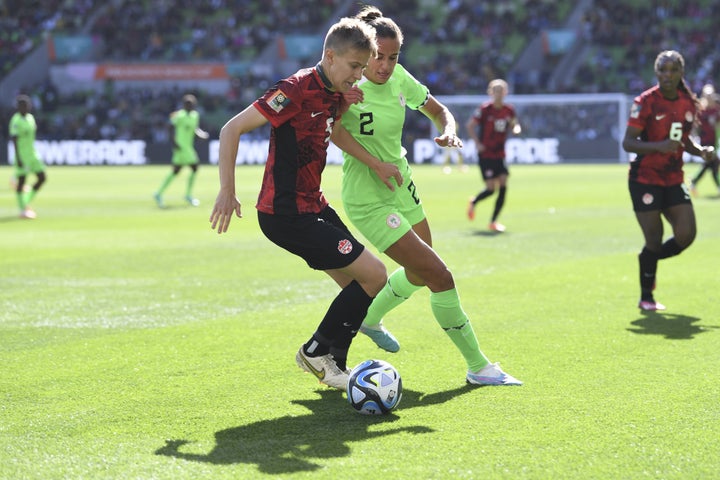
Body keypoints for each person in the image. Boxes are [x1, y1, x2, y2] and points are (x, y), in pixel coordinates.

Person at [334, 6, 521, 386]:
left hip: (401, 182)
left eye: (393, 57)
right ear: (365, 52)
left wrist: (448, 130)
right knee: (438, 273)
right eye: (378, 57)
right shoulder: (348, 86)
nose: (385, 66)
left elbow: (438, 110)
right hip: (367, 195)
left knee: (421, 273)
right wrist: (375, 164)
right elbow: (335, 134)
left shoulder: (400, 78)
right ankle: (479, 367)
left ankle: (370, 317)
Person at [209, 17, 389, 390]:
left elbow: (331, 128)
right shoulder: (294, 88)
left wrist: (346, 107)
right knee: (375, 274)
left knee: (359, 286)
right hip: (285, 213)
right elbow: (231, 129)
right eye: (355, 67)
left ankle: (334, 364)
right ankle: (315, 351)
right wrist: (228, 189)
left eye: (362, 68)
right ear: (330, 56)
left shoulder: (333, 91)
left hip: (313, 206)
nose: (359, 75)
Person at [622, 50, 715, 311]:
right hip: (644, 179)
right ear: (656, 73)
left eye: (673, 70)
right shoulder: (646, 101)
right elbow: (628, 142)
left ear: (681, 73)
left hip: (673, 178)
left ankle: (647, 261)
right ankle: (646, 296)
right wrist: (659, 146)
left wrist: (701, 151)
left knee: (686, 234)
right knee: (654, 238)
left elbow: (683, 140)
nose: (668, 75)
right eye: (663, 70)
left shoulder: (687, 102)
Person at [465, 79, 521, 232]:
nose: (499, 93)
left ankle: (493, 221)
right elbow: (470, 125)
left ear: (505, 92)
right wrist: (477, 143)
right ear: (491, 92)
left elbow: (515, 123)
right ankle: (474, 201)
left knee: (503, 184)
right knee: (491, 189)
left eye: (502, 90)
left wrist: (516, 128)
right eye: (496, 90)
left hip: (500, 154)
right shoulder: (485, 109)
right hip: (486, 155)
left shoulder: (509, 110)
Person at [154, 94, 209, 208]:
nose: (189, 106)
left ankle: (159, 193)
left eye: (191, 104)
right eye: (187, 104)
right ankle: (187, 195)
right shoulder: (179, 116)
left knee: (176, 171)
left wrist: (201, 135)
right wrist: (173, 142)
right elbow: (169, 127)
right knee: (194, 167)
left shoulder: (195, 115)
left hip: (188, 147)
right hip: (180, 147)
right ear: (183, 105)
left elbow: (194, 129)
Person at [9, 94, 46, 219]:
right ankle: (22, 209)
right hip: (22, 155)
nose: (24, 108)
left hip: (32, 154)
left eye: (26, 105)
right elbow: (14, 140)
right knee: (22, 181)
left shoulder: (30, 118)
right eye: (22, 106)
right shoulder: (16, 120)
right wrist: (18, 158)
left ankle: (26, 199)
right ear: (18, 107)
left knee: (42, 177)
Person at [688, 84, 720, 196]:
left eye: (711, 94)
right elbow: (696, 126)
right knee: (714, 162)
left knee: (709, 164)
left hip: (715, 141)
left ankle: (694, 181)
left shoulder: (717, 109)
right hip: (705, 141)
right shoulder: (701, 110)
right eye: (707, 95)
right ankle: (718, 186)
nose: (710, 97)